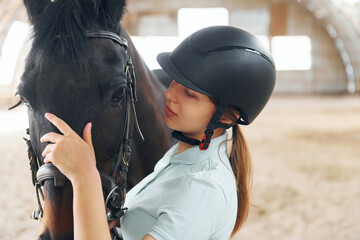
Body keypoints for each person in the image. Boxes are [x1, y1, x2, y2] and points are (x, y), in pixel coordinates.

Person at [41, 25, 276, 240]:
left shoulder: (200, 192)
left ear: (226, 116)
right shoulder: (183, 159)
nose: (169, 93)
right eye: (175, 80)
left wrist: (84, 177)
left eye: (189, 93)